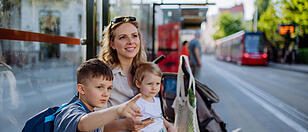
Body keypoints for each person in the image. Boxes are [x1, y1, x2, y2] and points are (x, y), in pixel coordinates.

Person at [53, 58, 143, 132]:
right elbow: (83, 124)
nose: (106, 93)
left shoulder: (92, 114)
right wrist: (118, 110)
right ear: (81, 89)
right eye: (99, 87)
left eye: (109, 88)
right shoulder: (70, 110)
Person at [98, 16, 154, 131]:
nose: (131, 42)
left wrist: (168, 126)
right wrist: (124, 124)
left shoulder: (145, 71)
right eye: (123, 37)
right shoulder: (103, 76)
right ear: (112, 44)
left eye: (134, 36)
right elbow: (95, 125)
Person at [133, 62, 176, 132]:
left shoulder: (158, 101)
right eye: (150, 84)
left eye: (157, 84)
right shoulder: (137, 104)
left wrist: (169, 126)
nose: (154, 88)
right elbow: (136, 127)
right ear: (138, 84)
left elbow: (160, 117)